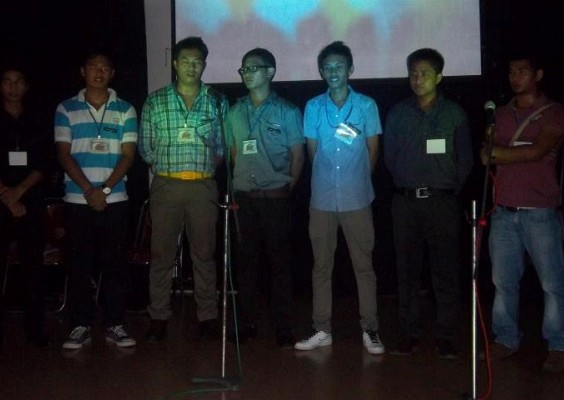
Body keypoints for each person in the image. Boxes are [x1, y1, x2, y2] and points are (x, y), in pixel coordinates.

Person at [479, 53, 564, 372]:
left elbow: (538, 150)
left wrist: (502, 153)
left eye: (522, 71)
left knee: (551, 283)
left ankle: (559, 344)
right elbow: (485, 154)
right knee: (502, 282)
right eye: (511, 71)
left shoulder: (554, 111)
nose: (515, 77)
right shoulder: (500, 113)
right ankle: (506, 338)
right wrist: (513, 153)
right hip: (503, 211)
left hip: (541, 212)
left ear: (538, 74)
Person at [294, 41, 384, 355]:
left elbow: (373, 151)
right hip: (322, 199)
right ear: (321, 71)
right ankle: (322, 329)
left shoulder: (366, 105)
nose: (333, 72)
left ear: (350, 69)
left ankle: (370, 329)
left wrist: (355, 181)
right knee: (321, 266)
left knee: (364, 266)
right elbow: (312, 151)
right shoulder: (313, 107)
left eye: (339, 66)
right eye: (328, 67)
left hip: (357, 198)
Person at [383, 48, 472, 359]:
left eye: (424, 73)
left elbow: (465, 160)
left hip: (441, 204)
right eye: (413, 73)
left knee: (445, 272)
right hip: (406, 203)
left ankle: (446, 336)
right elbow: (390, 158)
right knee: (406, 272)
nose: (418, 79)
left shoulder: (454, 114)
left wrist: (445, 190)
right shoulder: (398, 113)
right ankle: (409, 334)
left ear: (439, 77)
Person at [139, 36, 227, 342]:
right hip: (166, 185)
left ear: (204, 65)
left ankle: (208, 316)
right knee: (161, 255)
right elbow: (145, 147)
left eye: (197, 61)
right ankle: (158, 316)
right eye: (186, 61)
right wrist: (165, 167)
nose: (192, 66)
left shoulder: (216, 100)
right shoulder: (155, 100)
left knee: (204, 255)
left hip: (202, 186)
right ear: (175, 64)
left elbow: (222, 147)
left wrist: (205, 166)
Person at [55, 51, 138, 350]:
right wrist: (89, 191)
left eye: (105, 68)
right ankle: (80, 325)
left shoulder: (126, 109)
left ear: (112, 73)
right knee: (79, 266)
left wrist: (103, 190)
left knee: (115, 265)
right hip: (78, 201)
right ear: (83, 71)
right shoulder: (66, 108)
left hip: (114, 199)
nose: (99, 72)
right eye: (93, 67)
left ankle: (115, 323)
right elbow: (63, 154)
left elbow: (128, 156)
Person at [226, 48, 304, 347]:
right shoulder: (234, 112)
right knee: (246, 265)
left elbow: (298, 156)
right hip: (244, 200)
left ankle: (283, 325)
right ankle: (248, 323)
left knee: (280, 264)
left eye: (253, 68)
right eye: (243, 69)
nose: (246, 73)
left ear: (270, 72)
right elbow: (235, 153)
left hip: (276, 200)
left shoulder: (287, 111)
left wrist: (285, 188)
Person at [0, 65, 52, 351]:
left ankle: (36, 331)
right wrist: (6, 195)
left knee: (33, 270)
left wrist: (18, 193)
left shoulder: (38, 119)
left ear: (26, 86)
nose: (13, 87)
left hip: (30, 201)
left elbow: (44, 162)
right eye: (7, 82)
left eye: (18, 82)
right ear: (0, 86)